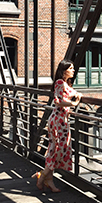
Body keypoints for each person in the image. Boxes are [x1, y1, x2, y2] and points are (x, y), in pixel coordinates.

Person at [33, 59, 81, 192]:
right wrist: (73, 104)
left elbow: (67, 95)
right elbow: (57, 101)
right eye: (70, 68)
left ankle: (49, 180)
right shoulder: (60, 82)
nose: (73, 70)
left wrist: (76, 95)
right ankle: (42, 176)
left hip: (61, 121)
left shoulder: (64, 83)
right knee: (57, 148)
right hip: (58, 121)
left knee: (56, 148)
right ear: (64, 70)